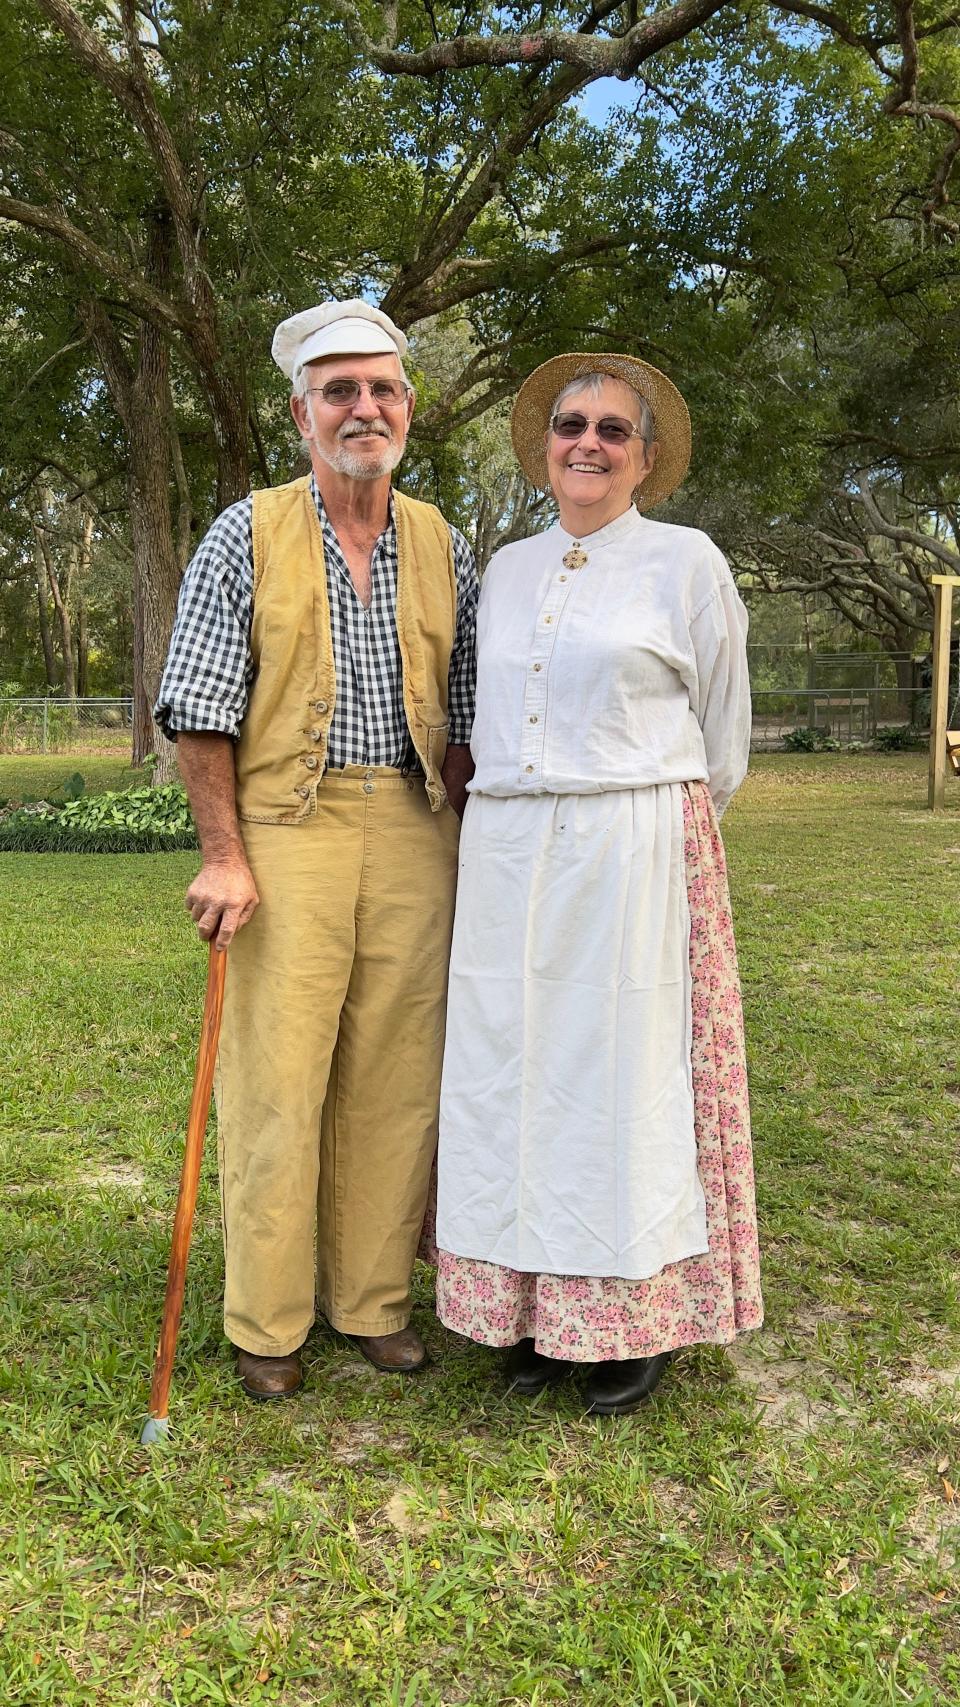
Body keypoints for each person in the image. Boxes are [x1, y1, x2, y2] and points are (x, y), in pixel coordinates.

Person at [156, 300, 478, 1399]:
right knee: (279, 1077)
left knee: (396, 1076)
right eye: (339, 391)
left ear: (409, 407)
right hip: (285, 826)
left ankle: (374, 1303)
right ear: (301, 413)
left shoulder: (442, 538)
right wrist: (224, 855)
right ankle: (268, 1321)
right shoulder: (244, 531)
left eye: (383, 388)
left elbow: (469, 715)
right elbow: (200, 707)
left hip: (413, 822)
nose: (364, 408)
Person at [435, 353, 762, 1416]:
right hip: (508, 848)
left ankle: (630, 1321)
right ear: (544, 448)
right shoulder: (509, 566)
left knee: (617, 1080)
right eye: (571, 424)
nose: (588, 441)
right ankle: (531, 1311)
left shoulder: (686, 562)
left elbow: (723, 738)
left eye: (613, 429)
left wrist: (651, 828)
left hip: (629, 845)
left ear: (645, 456)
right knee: (514, 1077)